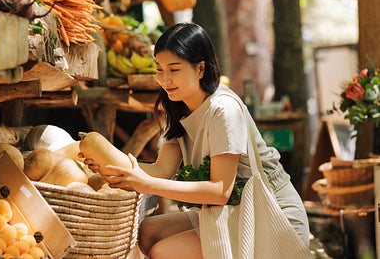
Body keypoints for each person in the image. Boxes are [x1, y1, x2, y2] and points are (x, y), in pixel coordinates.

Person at [84, 22, 310, 259]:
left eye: (174, 69)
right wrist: (112, 168)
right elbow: (162, 169)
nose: (164, 79)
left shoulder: (224, 110)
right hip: (230, 209)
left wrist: (145, 184)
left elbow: (220, 191)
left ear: (200, 69)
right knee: (147, 232)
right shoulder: (178, 106)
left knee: (163, 252)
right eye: (159, 69)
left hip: (268, 215)